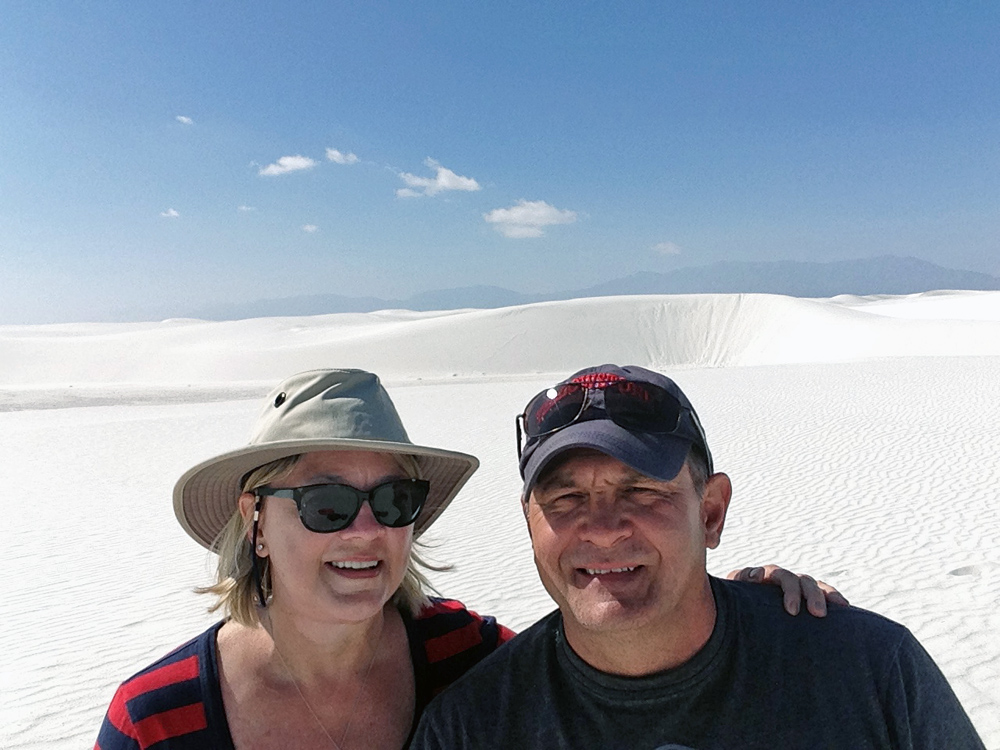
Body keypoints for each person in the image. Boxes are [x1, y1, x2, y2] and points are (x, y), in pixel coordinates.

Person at [95, 368, 844, 750]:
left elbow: (603, 671)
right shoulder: (154, 720)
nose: (364, 530)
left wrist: (745, 604)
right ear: (255, 522)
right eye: (326, 504)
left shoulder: (466, 657)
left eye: (393, 502)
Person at [411, 364, 986, 749]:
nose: (604, 529)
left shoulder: (871, 671)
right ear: (530, 523)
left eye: (642, 490)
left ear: (711, 512)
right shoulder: (470, 726)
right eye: (566, 498)